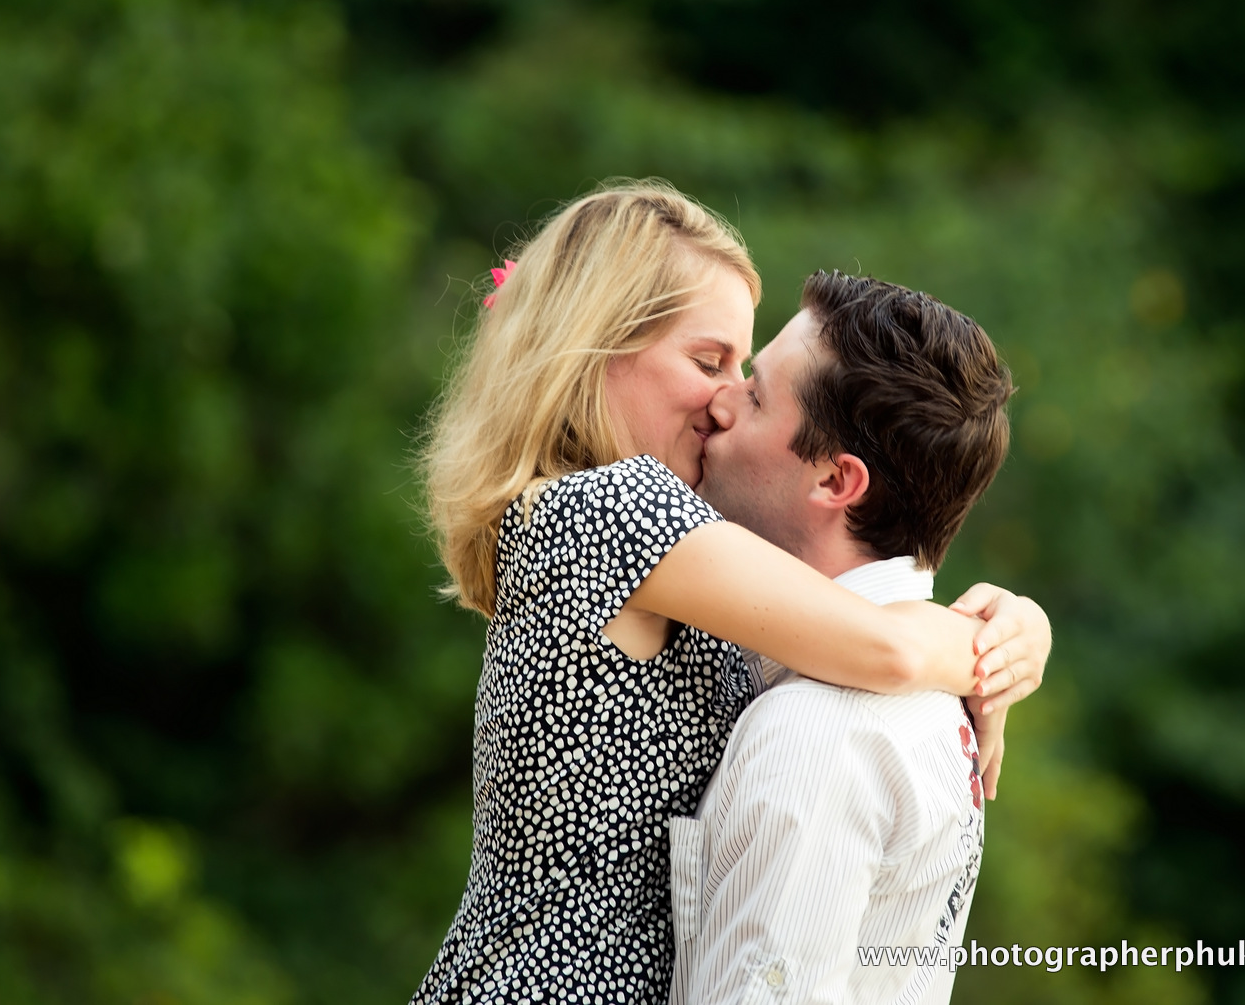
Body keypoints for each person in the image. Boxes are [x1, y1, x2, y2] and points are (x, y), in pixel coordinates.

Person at [411, 181, 1049, 1004]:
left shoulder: (674, 547)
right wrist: (994, 647)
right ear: (597, 349)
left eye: (742, 371)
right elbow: (885, 646)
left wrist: (1008, 627)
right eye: (709, 361)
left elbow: (843, 610)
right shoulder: (611, 509)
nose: (724, 398)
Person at [670, 271, 1037, 1005]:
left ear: (837, 481)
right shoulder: (938, 701)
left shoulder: (816, 734)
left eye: (758, 395)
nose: (720, 399)